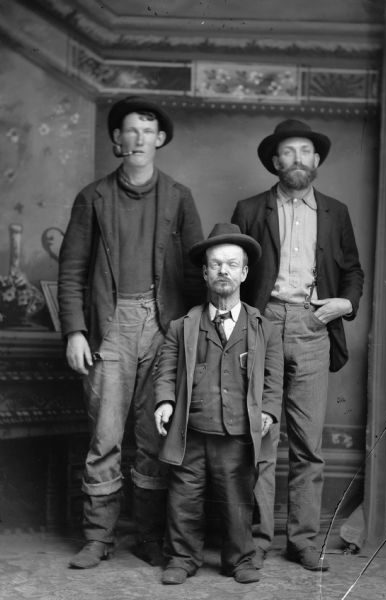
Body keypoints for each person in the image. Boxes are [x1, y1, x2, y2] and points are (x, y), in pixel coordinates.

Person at [58, 96, 204, 569]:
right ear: (116, 140)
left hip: (163, 327)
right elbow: (72, 270)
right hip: (110, 324)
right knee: (104, 437)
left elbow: (193, 271)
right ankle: (98, 537)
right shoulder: (92, 197)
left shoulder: (179, 196)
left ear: (160, 139)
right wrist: (75, 332)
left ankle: (148, 536)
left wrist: (191, 337)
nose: (138, 138)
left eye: (147, 130)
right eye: (129, 130)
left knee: (153, 436)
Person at [231, 119, 364, 571]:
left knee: (309, 445)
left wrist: (343, 304)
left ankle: (303, 542)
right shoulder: (249, 209)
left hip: (313, 326)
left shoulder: (335, 211)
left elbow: (354, 271)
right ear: (274, 161)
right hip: (262, 324)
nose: (297, 160)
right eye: (287, 152)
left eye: (305, 151)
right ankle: (256, 542)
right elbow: (231, 267)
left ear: (317, 160)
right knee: (260, 439)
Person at [153, 223, 283, 585]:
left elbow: (274, 378)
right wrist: (165, 402)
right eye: (215, 264)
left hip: (237, 434)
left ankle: (240, 559)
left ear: (244, 273)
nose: (223, 270)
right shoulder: (183, 326)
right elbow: (165, 369)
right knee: (184, 499)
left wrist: (269, 412)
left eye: (231, 264)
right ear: (205, 273)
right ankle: (181, 558)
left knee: (237, 501)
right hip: (191, 432)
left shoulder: (263, 328)